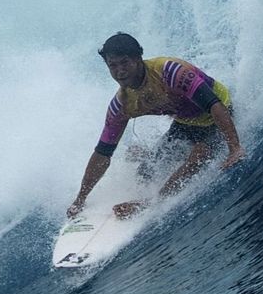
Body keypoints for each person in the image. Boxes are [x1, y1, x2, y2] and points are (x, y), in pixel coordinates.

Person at [66, 32, 245, 219]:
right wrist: (80, 199)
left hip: (218, 110)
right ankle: (143, 154)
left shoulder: (171, 72)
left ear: (138, 58)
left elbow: (214, 104)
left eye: (124, 62)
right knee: (145, 172)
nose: (119, 71)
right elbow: (103, 152)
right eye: (113, 65)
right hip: (185, 122)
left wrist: (234, 148)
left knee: (198, 157)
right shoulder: (122, 104)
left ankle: (152, 204)